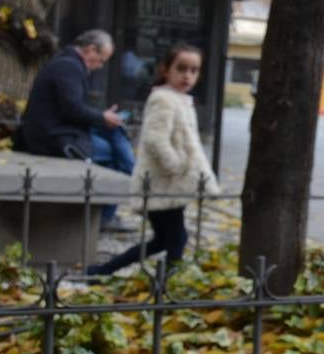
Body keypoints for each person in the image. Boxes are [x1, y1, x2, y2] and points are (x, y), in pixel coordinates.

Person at [87, 43, 219, 276]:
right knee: (175, 240)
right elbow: (155, 139)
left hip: (171, 185)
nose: (187, 76)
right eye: (181, 68)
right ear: (166, 69)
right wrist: (176, 166)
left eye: (194, 70)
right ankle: (167, 284)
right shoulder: (163, 98)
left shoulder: (181, 99)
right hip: (162, 184)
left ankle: (102, 271)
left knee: (165, 240)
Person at [19, 29, 135, 230]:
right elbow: (72, 109)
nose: (100, 66)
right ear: (90, 49)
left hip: (59, 131)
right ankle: (105, 215)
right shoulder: (69, 67)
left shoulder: (67, 63)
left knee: (113, 138)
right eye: (101, 60)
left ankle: (109, 204)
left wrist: (102, 117)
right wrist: (102, 117)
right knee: (114, 154)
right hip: (54, 137)